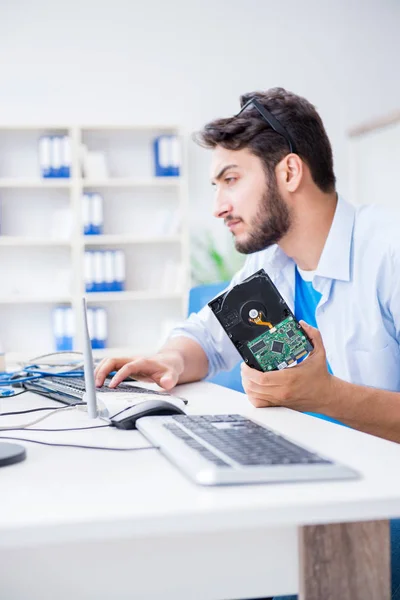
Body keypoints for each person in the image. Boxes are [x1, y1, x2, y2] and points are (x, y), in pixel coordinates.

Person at [95, 88, 400, 599]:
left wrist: (327, 396)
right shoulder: (271, 264)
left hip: (376, 511)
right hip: (306, 488)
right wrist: (167, 360)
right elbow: (205, 341)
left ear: (289, 173)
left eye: (230, 180)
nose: (218, 206)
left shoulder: (388, 251)